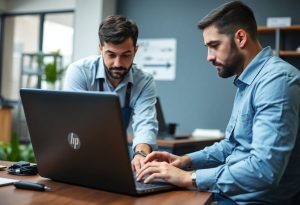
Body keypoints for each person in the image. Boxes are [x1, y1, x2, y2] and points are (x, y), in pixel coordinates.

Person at [136, 1, 300, 204]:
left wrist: (189, 177)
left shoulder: (277, 80)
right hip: (229, 196)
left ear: (240, 37)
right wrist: (185, 162)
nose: (209, 57)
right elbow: (231, 146)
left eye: (214, 46)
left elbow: (264, 170)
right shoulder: (249, 81)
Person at [63, 15, 158, 172]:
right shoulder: (80, 72)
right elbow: (74, 122)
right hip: (79, 152)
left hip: (115, 155)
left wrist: (140, 153)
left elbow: (145, 123)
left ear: (135, 49)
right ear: (100, 48)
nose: (118, 63)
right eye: (111, 55)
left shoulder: (144, 81)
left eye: (126, 55)